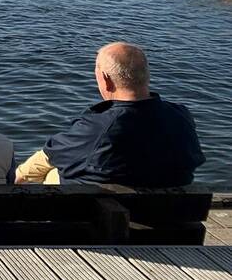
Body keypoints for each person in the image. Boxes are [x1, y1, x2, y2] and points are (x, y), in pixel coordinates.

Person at [15, 42, 204, 186]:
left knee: (52, 173)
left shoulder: (100, 127)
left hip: (103, 226)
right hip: (172, 220)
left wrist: (18, 176)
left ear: (106, 80)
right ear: (146, 75)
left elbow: (49, 155)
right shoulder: (181, 116)